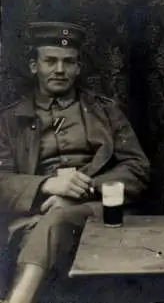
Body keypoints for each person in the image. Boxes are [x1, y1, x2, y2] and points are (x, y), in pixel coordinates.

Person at [0, 22, 150, 303]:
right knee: (52, 219)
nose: (60, 69)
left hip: (99, 209)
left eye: (69, 62)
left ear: (78, 69)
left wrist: (86, 188)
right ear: (34, 66)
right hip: (37, 211)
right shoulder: (8, 121)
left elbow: (137, 168)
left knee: (59, 216)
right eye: (50, 61)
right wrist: (48, 185)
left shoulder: (106, 111)